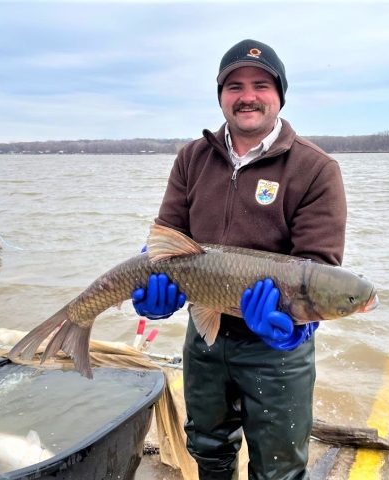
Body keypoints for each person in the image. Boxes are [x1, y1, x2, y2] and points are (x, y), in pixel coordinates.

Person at [132, 39, 347, 480]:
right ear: (221, 96)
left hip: (274, 346)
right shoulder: (192, 157)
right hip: (206, 337)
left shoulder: (316, 168)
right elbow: (167, 235)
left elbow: (319, 268)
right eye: (235, 86)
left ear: (279, 94)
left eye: (261, 85)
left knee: (279, 467)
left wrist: (297, 329)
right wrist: (150, 282)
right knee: (207, 449)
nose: (247, 96)